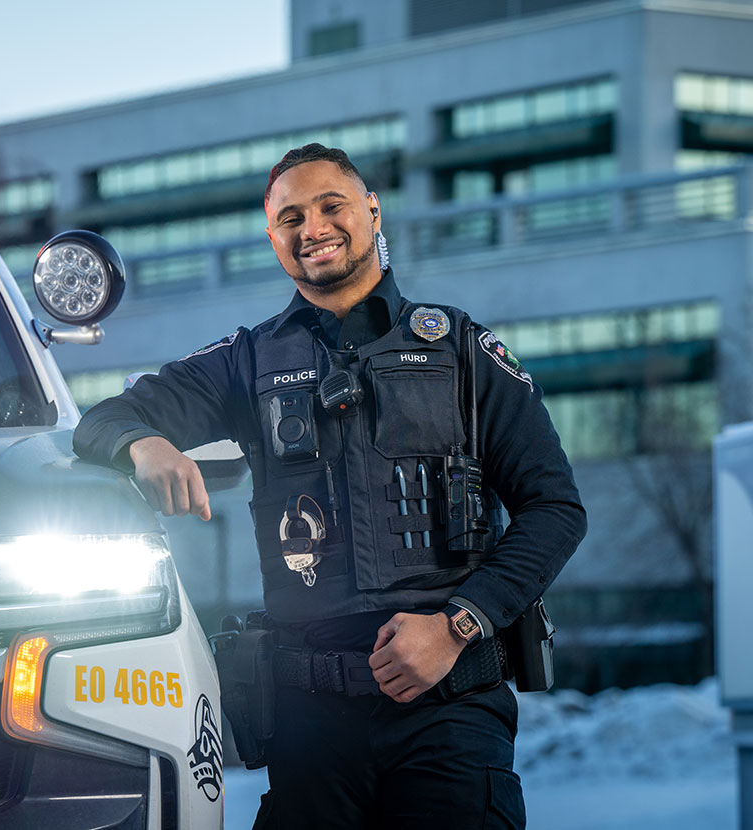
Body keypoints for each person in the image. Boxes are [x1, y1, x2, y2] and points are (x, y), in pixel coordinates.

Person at [73, 143, 587, 829]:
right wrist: (144, 443)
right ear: (273, 239)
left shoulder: (462, 350)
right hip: (309, 725)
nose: (311, 227)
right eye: (290, 217)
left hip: (450, 708)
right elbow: (104, 417)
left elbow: (555, 509)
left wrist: (458, 624)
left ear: (372, 212)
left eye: (329, 206)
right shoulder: (247, 361)